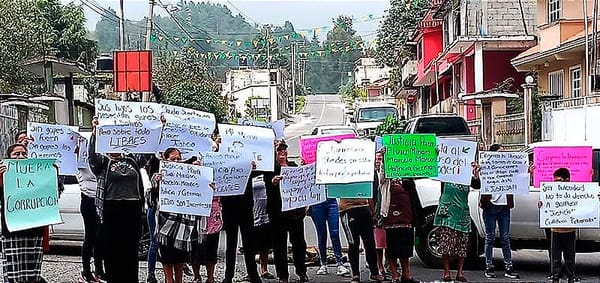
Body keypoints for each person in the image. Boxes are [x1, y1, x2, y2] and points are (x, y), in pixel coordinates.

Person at [88, 117, 147, 283]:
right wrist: (95, 132)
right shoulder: (103, 163)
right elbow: (92, 156)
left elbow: (148, 152)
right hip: (111, 209)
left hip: (133, 208)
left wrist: (159, 129)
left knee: (130, 249)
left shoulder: (133, 159)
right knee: (112, 250)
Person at [0, 144, 55, 283]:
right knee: (14, 274)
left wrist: (51, 175)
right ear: (9, 158)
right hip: (12, 231)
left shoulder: (37, 174)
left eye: (24, 154)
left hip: (34, 231)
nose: (20, 157)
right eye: (16, 154)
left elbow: (54, 193)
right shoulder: (4, 175)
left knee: (32, 275)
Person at [265, 141, 309, 283]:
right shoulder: (271, 169)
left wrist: (305, 168)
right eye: (279, 151)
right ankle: (283, 275)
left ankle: (302, 271)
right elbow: (268, 183)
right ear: (274, 153)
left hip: (295, 213)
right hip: (278, 213)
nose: (282, 152)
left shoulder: (293, 166)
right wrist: (274, 182)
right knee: (279, 245)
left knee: (299, 243)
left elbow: (303, 182)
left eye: (284, 150)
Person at [376, 148, 421, 283]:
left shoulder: (407, 175)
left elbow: (422, 167)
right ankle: (395, 275)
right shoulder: (386, 179)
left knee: (406, 248)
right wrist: (383, 159)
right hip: (390, 217)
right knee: (392, 248)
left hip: (406, 217)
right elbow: (381, 176)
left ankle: (406, 274)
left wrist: (433, 154)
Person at [434, 163, 481, 282]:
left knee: (462, 244)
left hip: (462, 212)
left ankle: (460, 272)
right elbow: (436, 170)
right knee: (446, 243)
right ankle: (446, 271)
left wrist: (476, 175)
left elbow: (477, 185)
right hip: (447, 212)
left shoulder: (466, 176)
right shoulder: (445, 175)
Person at [479, 144, 519, 279]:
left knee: (505, 238)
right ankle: (489, 266)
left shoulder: (508, 169)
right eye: (499, 153)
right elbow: (476, 183)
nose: (502, 156)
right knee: (490, 237)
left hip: (504, 207)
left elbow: (520, 176)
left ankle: (508, 266)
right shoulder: (486, 169)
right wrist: (476, 173)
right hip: (490, 206)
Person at [539, 168, 579, 283]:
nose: (556, 183)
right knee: (555, 257)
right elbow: (545, 203)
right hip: (555, 230)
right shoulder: (551, 191)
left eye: (559, 181)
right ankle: (555, 277)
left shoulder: (575, 192)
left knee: (570, 257)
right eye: (555, 181)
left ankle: (571, 277)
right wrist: (542, 205)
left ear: (567, 180)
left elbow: (585, 202)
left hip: (570, 230)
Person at [339, 194, 384, 283]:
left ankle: (374, 273)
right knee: (353, 243)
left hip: (364, 207)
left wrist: (372, 212)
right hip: (347, 209)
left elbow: (368, 192)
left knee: (370, 243)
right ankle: (355, 274)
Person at [77, 159, 105, 282]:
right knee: (90, 236)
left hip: (103, 198)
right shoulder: (80, 157)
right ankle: (86, 270)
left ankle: (99, 270)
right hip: (89, 198)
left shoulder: (101, 156)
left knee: (100, 238)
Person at [309, 198, 349, 276]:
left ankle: (340, 263)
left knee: (335, 233)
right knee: (322, 235)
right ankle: (323, 264)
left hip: (331, 201)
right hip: (316, 202)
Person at [252, 175, 276, 280]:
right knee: (250, 244)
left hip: (267, 212)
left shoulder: (269, 172)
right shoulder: (249, 173)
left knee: (264, 245)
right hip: (252, 211)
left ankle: (264, 269)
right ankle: (251, 271)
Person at [372, 151, 387, 277]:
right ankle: (379, 265)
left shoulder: (386, 174)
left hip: (385, 210)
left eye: (380, 159)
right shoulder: (369, 174)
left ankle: (387, 264)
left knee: (385, 241)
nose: (378, 161)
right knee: (378, 242)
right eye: (376, 159)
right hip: (374, 211)